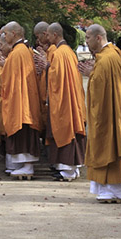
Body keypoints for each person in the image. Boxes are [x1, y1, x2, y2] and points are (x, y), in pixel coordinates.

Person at [83, 24, 121, 203]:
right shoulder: (114, 53)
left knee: (106, 146)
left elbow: (99, 87)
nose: (86, 42)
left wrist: (90, 74)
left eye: (88, 38)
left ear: (99, 38)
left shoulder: (106, 59)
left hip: (107, 114)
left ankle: (109, 190)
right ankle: (115, 191)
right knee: (114, 147)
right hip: (115, 111)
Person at [0, 21, 44, 180]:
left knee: (24, 131)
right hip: (23, 99)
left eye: (6, 33)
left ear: (14, 34)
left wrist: (2, 68)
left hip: (21, 101)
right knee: (24, 132)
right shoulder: (20, 50)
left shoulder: (18, 52)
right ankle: (23, 165)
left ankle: (27, 166)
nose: (4, 36)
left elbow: (11, 79)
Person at [45, 23, 86, 181]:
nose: (47, 38)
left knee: (66, 129)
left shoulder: (60, 53)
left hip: (64, 99)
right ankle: (70, 169)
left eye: (48, 35)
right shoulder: (68, 51)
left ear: (55, 35)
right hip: (71, 96)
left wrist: (47, 68)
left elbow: (57, 77)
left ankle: (67, 170)